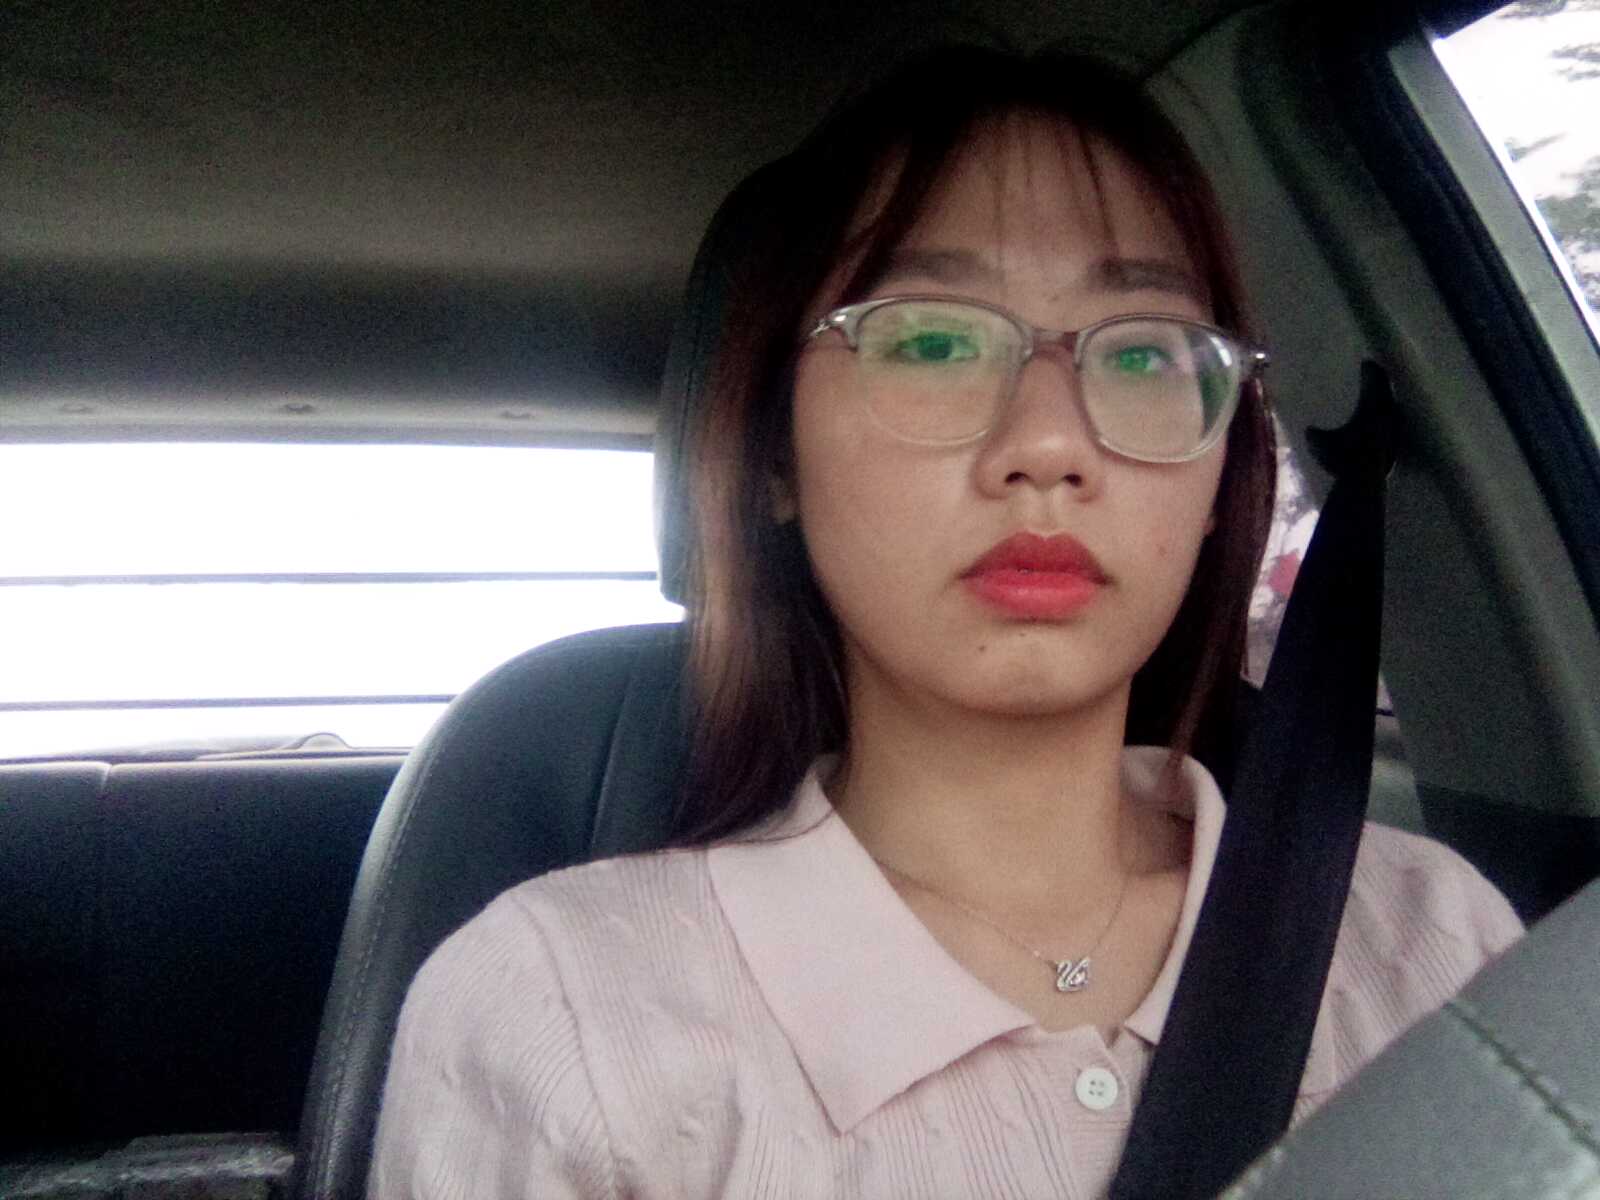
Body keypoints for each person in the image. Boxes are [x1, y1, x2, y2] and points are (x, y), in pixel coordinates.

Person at [368, 46, 1522, 1199]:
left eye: (1142, 353)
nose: (1049, 446)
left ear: (1220, 474)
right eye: (930, 341)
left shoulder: (1432, 943)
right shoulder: (562, 1018)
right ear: (774, 455)